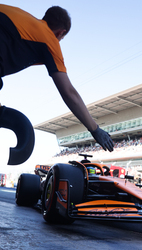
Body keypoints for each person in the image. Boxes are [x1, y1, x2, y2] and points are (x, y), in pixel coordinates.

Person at [0, 4, 113, 152]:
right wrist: (95, 129)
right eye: (61, 39)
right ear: (60, 33)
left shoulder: (19, 15)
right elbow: (69, 93)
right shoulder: (49, 39)